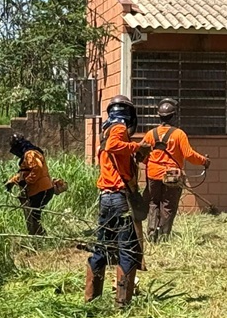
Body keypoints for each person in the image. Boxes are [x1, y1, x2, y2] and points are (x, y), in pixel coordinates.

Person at [85, 95, 152, 307]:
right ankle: (122, 303)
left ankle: (91, 298)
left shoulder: (105, 132)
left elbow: (116, 153)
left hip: (105, 198)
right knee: (128, 249)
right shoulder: (119, 128)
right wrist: (137, 147)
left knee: (101, 249)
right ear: (129, 114)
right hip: (119, 198)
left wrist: (135, 152)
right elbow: (117, 145)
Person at [141, 98, 210, 241]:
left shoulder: (150, 134)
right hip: (171, 176)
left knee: (153, 203)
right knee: (168, 205)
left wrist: (151, 164)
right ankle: (164, 237)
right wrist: (204, 161)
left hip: (152, 174)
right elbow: (189, 154)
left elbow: (141, 154)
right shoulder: (179, 134)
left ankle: (152, 233)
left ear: (160, 116)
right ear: (173, 116)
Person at [5, 133, 54, 236]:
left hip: (41, 190)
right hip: (38, 190)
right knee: (33, 216)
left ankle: (41, 238)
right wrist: (11, 182)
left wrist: (27, 181)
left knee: (34, 216)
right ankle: (38, 237)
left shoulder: (30, 154)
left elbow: (37, 169)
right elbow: (24, 172)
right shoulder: (27, 155)